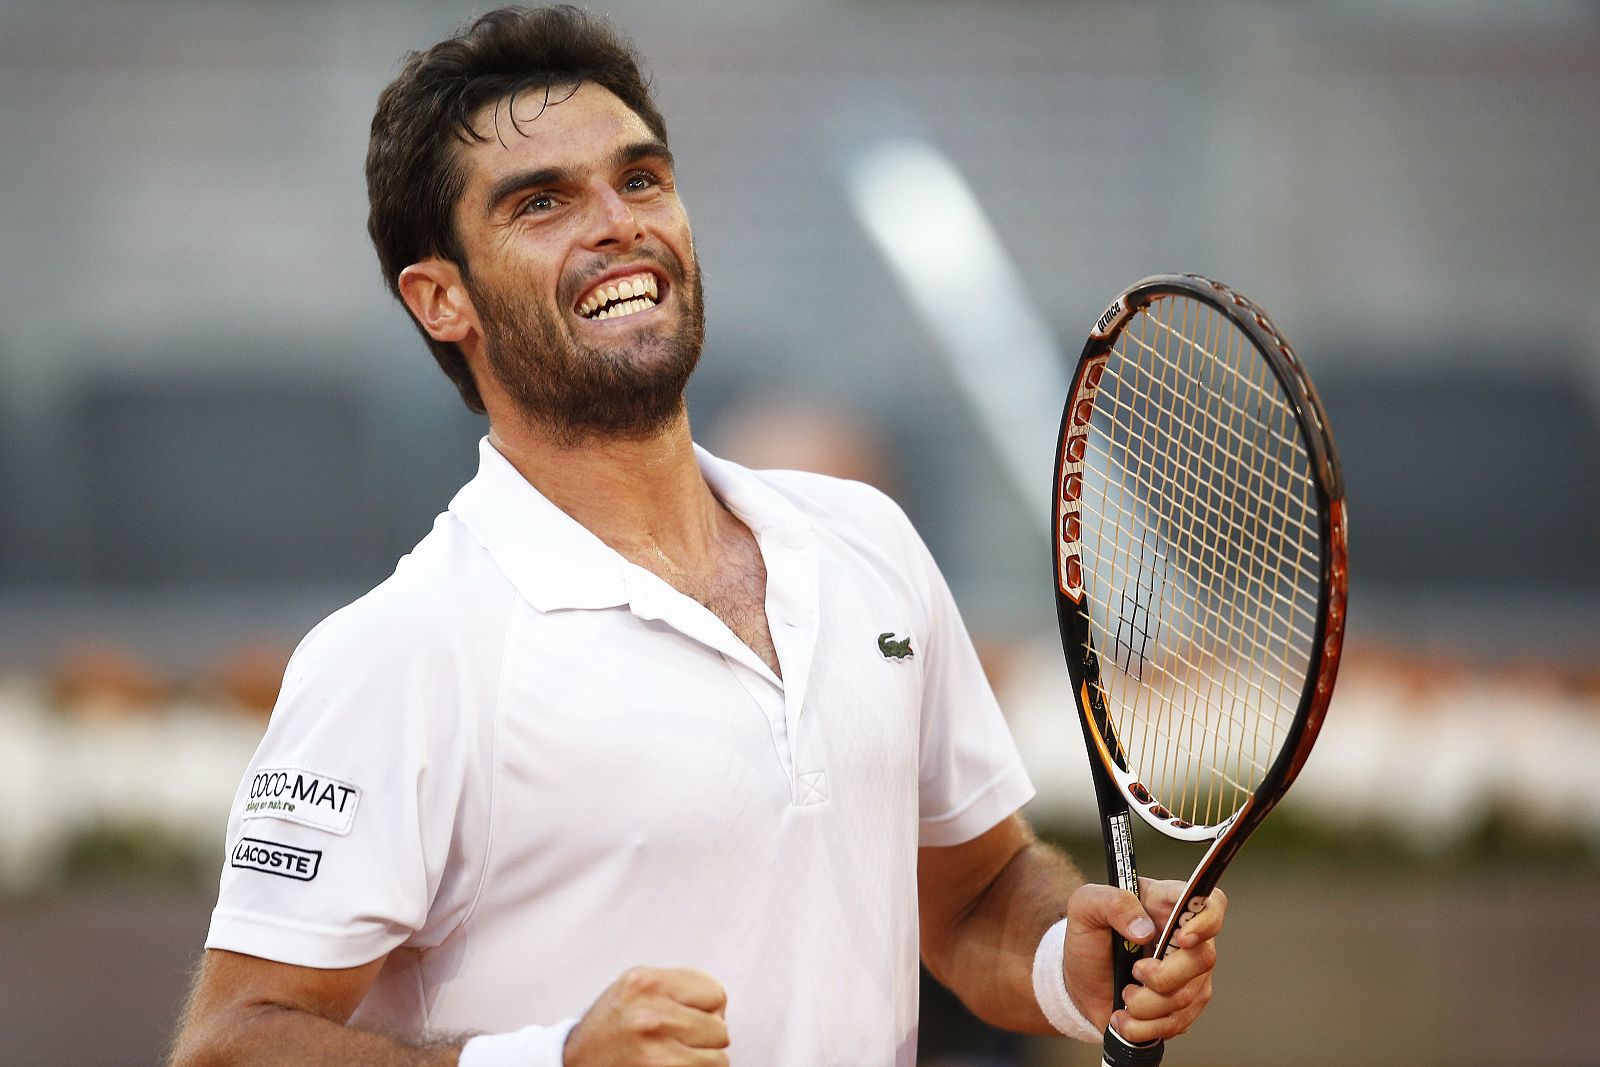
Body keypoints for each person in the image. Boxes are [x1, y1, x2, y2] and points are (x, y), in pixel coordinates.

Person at [168, 7, 1225, 1066]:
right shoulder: (399, 652)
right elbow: (229, 1045)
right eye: (542, 203)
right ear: (442, 296)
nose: (618, 223)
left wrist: (1058, 958)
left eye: (640, 180)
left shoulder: (868, 544)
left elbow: (974, 894)